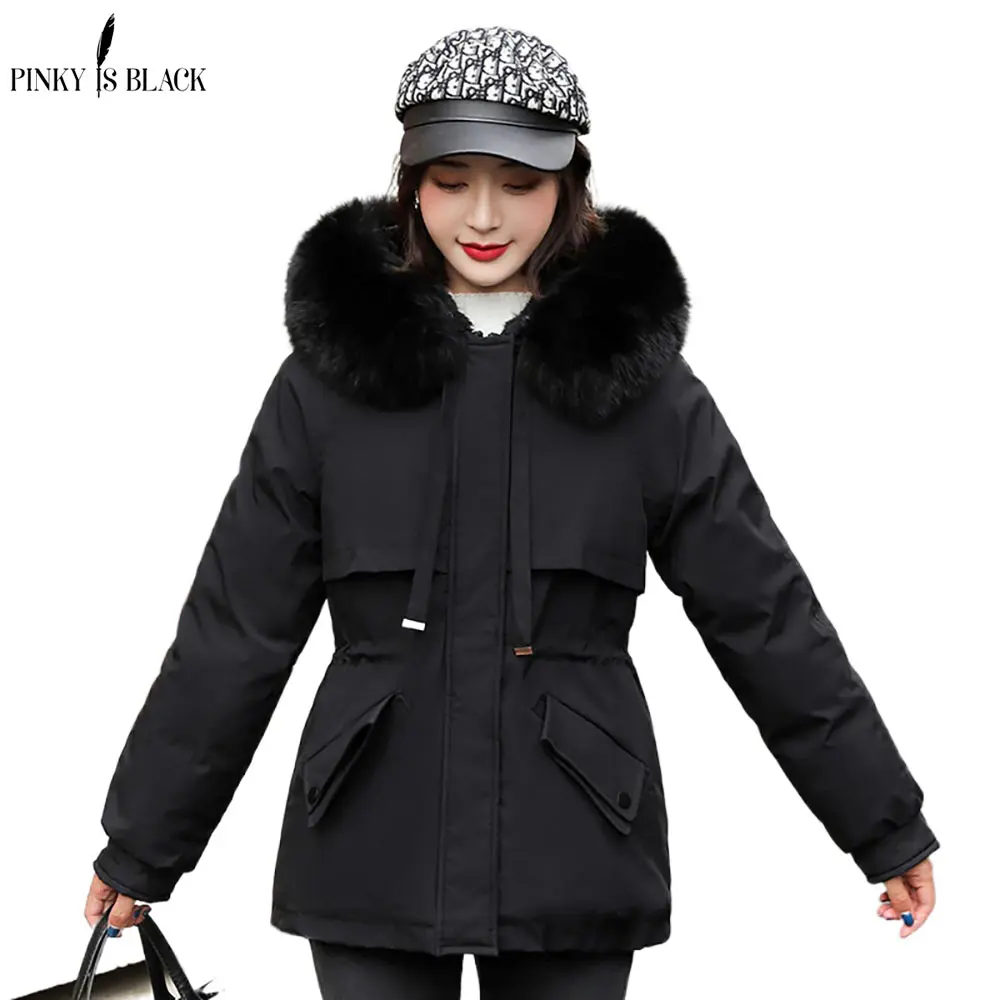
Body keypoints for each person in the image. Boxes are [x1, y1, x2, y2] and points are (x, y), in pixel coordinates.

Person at [84, 24, 939, 999]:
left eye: (519, 183)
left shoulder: (643, 389)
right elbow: (236, 626)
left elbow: (764, 613)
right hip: (372, 827)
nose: (483, 216)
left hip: (573, 826)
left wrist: (882, 824)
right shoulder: (328, 384)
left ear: (569, 185)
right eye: (451, 180)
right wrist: (141, 846)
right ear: (410, 182)